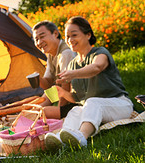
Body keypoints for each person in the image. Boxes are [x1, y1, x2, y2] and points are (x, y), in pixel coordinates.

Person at [44, 16, 134, 149]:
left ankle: (81, 137)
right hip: (96, 107)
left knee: (92, 102)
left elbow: (96, 67)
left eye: (74, 35)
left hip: (119, 104)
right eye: (67, 36)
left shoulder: (100, 53)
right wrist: (63, 93)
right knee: (76, 110)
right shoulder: (73, 65)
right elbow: (78, 98)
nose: (70, 40)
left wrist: (73, 74)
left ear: (88, 35)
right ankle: (62, 139)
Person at [32, 20, 77, 119]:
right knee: (37, 108)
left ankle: (30, 117)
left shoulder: (66, 53)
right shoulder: (51, 55)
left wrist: (58, 110)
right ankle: (28, 116)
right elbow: (48, 84)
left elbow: (66, 86)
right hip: (65, 95)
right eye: (36, 39)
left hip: (78, 100)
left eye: (42, 36)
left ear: (55, 34)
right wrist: (38, 79)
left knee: (41, 113)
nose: (39, 42)